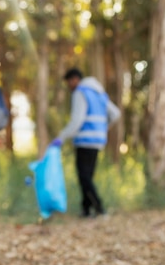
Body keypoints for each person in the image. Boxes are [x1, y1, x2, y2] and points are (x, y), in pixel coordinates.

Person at [51, 67, 121, 217]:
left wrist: (61, 137)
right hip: (98, 140)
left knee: (84, 177)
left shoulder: (80, 92)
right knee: (88, 175)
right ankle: (86, 210)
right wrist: (102, 127)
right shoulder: (99, 93)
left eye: (69, 81)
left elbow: (77, 120)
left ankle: (99, 208)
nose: (69, 85)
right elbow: (115, 114)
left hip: (84, 140)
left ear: (75, 79)